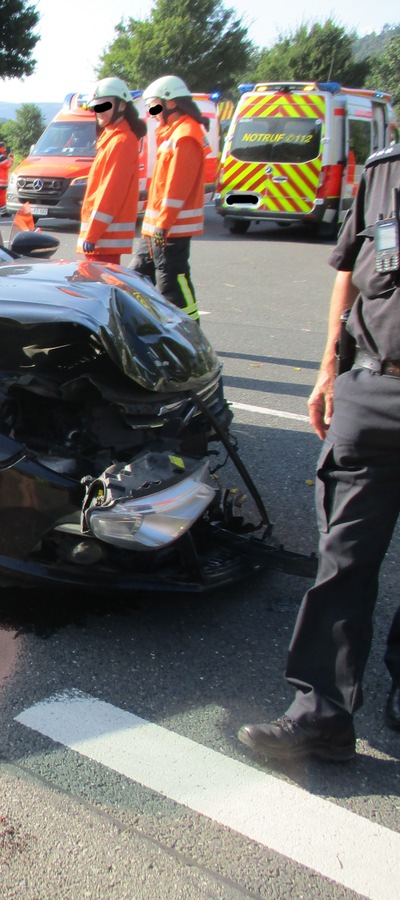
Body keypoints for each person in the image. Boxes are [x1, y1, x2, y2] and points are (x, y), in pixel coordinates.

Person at [239, 142, 400, 763]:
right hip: (374, 386)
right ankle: (322, 716)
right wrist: (329, 369)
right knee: (342, 560)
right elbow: (348, 270)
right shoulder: (384, 172)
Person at [130, 75, 205, 319]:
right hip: (157, 228)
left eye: (153, 106)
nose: (150, 113)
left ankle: (188, 330)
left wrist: (163, 224)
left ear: (171, 103)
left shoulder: (185, 134)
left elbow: (176, 187)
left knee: (172, 280)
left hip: (170, 228)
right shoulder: (173, 133)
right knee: (139, 274)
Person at [77, 77, 146, 266]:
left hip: (102, 240)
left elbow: (111, 192)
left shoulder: (121, 141)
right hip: (101, 240)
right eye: (96, 106)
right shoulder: (112, 139)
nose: (98, 111)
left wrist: (93, 233)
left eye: (104, 105)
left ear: (122, 106)